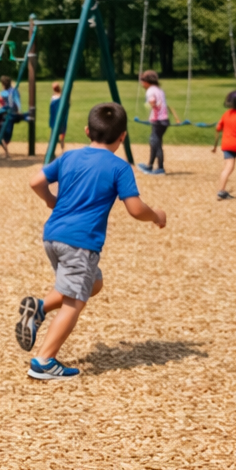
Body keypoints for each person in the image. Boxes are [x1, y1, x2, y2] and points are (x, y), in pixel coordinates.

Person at [14, 102, 166, 380]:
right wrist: (156, 215)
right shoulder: (119, 168)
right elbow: (135, 209)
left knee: (93, 283)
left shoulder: (69, 157)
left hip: (53, 236)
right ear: (123, 137)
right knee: (75, 301)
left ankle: (39, 308)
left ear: (87, 131)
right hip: (80, 243)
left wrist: (51, 200)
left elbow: (35, 181)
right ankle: (44, 361)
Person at [137, 71, 178, 175]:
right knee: (154, 142)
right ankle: (150, 165)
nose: (141, 83)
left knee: (156, 142)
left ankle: (160, 168)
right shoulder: (159, 90)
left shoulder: (150, 91)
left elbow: (153, 103)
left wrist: (149, 107)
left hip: (158, 120)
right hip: (163, 120)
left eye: (142, 80)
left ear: (147, 81)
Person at [0, 75, 23, 159]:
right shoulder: (13, 91)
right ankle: (5, 152)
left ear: (3, 84)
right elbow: (17, 101)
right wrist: (19, 111)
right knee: (3, 133)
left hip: (3, 115)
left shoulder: (3, 93)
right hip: (9, 114)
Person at [47, 81, 66, 153]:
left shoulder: (53, 98)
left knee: (53, 136)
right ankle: (62, 150)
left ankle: (51, 151)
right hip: (62, 120)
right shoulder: (62, 97)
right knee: (62, 136)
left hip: (54, 120)